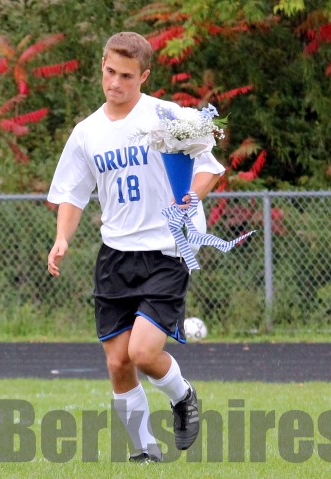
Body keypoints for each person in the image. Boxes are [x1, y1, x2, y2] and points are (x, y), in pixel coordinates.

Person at [46, 32, 225, 463]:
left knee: (143, 353)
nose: (116, 83)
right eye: (110, 72)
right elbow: (72, 193)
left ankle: (182, 397)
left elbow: (209, 167)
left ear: (144, 76)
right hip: (115, 256)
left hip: (165, 251)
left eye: (127, 76)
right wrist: (62, 237)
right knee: (118, 364)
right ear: (102, 67)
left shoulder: (167, 116)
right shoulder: (86, 132)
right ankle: (145, 453)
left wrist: (190, 197)